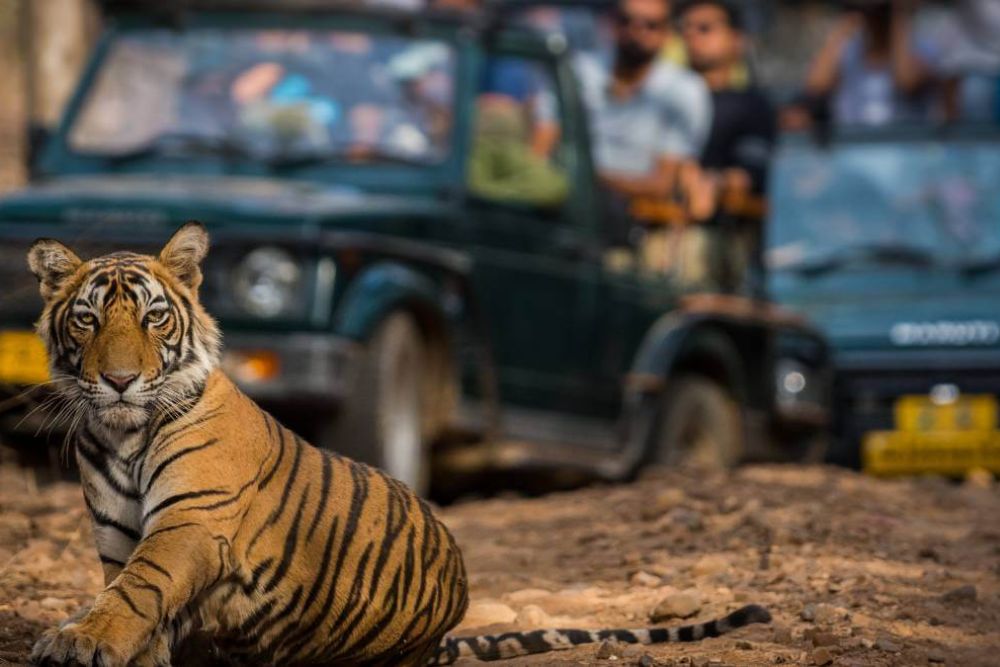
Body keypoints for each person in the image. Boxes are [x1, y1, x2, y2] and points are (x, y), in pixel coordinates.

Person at [677, 0, 775, 293]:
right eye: (686, 29)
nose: (693, 36)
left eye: (705, 28)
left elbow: (748, 175)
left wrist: (713, 184)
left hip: (717, 236)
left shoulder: (752, 105)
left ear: (737, 39)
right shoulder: (666, 98)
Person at [576, 0, 712, 203]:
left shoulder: (684, 90)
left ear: (668, 33)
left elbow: (661, 186)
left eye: (651, 25)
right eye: (626, 21)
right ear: (613, 23)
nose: (636, 31)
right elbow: (544, 143)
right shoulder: (579, 69)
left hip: (635, 219)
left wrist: (586, 179)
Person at [801, 0, 942, 127]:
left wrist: (898, 14)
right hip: (851, 148)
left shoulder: (922, 48)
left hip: (905, 148)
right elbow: (816, 87)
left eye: (881, 11)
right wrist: (843, 28)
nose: (875, 18)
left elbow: (907, 82)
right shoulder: (847, 50)